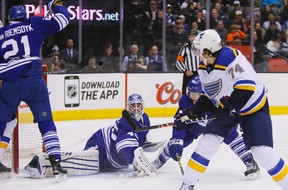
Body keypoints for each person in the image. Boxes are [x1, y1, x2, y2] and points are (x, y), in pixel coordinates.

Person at [170, 29, 288, 190]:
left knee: (262, 152)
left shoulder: (230, 59)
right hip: (230, 107)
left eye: (200, 50)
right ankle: (187, 185)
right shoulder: (204, 67)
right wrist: (192, 113)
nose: (197, 54)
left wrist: (227, 106)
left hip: (253, 108)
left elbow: (246, 89)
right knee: (207, 142)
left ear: (209, 50)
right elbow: (210, 95)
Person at [0, 1, 69, 178]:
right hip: (34, 82)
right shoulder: (34, 23)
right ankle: (55, 163)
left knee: (4, 123)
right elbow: (63, 19)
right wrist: (56, 4)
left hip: (10, 85)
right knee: (46, 123)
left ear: (9, 18)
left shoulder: (1, 33)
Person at [22, 93, 166, 178]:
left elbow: (140, 140)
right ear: (128, 106)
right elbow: (124, 148)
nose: (135, 108)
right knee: (84, 162)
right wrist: (135, 162)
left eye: (138, 106)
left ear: (142, 106)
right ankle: (40, 163)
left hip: (111, 158)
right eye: (132, 106)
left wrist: (154, 145)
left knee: (92, 165)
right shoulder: (125, 122)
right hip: (101, 146)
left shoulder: (145, 118)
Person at [152, 76, 260, 179]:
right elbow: (179, 122)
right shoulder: (185, 100)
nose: (191, 96)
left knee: (231, 134)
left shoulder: (215, 101)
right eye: (190, 92)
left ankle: (250, 161)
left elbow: (234, 113)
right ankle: (160, 160)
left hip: (213, 126)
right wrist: (177, 138)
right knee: (178, 143)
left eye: (195, 93)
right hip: (195, 127)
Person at [175, 29, 199, 94]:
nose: (192, 38)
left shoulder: (201, 47)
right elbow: (178, 61)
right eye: (190, 36)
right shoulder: (185, 48)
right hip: (189, 75)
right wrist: (185, 70)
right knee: (186, 93)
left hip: (200, 74)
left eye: (194, 36)